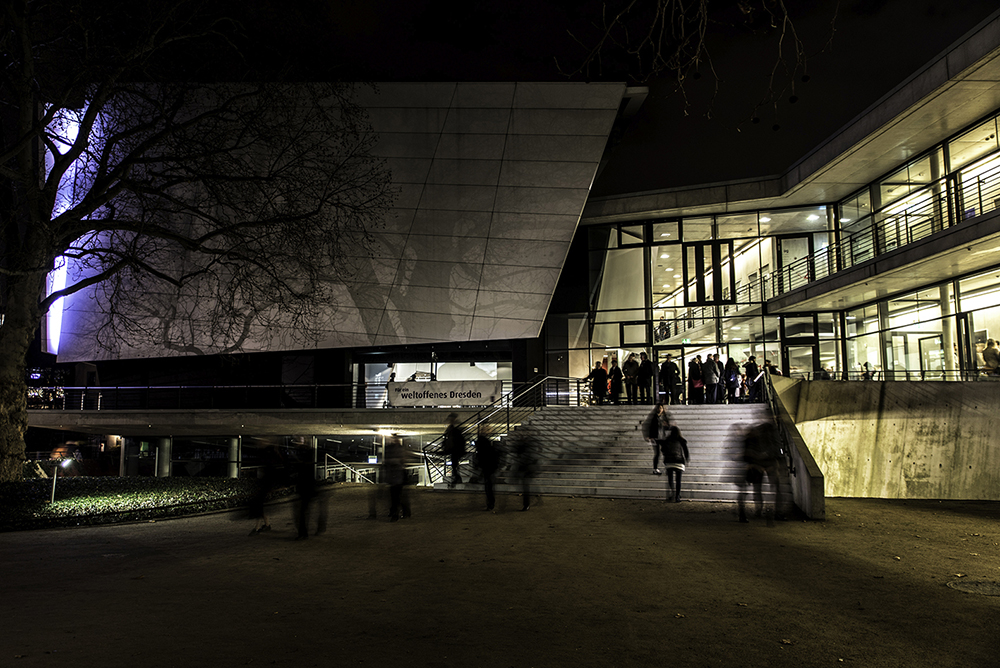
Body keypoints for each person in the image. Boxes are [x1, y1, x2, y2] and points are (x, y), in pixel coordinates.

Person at [737, 422, 783, 524]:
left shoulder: (757, 440)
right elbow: (747, 455)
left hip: (758, 467)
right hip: (755, 467)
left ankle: (758, 510)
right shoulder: (755, 440)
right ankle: (759, 511)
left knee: (756, 489)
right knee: (756, 489)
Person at [385, 435, 411, 522]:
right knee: (397, 495)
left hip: (396, 477)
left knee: (395, 495)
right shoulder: (400, 450)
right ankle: (403, 512)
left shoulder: (393, 450)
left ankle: (395, 512)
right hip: (397, 476)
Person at [660, 425, 689, 502]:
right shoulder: (682, 440)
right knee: (678, 480)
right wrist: (687, 459)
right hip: (679, 461)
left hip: (669, 461)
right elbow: (686, 451)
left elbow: (662, 450)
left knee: (670, 479)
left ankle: (672, 493)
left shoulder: (666, 440)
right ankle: (677, 496)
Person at [474, 426, 500, 511]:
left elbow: (481, 454)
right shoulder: (486, 442)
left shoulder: (482, 442)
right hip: (488, 465)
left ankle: (490, 503)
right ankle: (490, 503)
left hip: (486, 465)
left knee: (488, 485)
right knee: (489, 485)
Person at [643, 402, 670, 474]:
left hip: (663, 438)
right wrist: (649, 436)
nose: (660, 409)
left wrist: (666, 425)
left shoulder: (665, 417)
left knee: (666, 453)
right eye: (659, 408)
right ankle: (655, 468)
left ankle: (667, 467)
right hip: (656, 438)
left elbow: (669, 427)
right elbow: (650, 426)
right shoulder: (654, 417)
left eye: (661, 408)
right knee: (657, 453)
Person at [443, 412, 466, 486]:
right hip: (454, 448)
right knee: (454, 465)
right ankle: (456, 478)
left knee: (454, 464)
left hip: (455, 448)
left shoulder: (455, 427)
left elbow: (455, 437)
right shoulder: (453, 427)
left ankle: (457, 478)